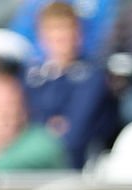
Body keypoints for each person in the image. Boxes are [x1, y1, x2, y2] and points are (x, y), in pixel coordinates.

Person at [23, 1, 117, 168]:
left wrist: (43, 132)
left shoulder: (93, 77)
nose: (59, 37)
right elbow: (24, 128)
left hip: (78, 167)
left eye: (65, 29)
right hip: (33, 164)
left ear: (78, 35)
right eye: (53, 30)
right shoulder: (30, 79)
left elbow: (76, 133)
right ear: (41, 37)